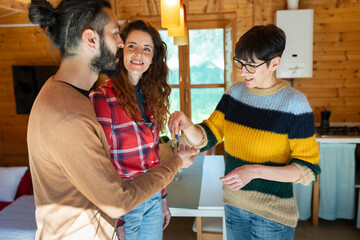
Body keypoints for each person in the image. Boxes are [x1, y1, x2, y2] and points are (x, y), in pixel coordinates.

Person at [27, 1, 199, 239]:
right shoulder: (71, 114)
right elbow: (117, 201)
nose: (121, 44)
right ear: (91, 39)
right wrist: (176, 162)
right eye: (117, 33)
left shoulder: (66, 97)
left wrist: (161, 197)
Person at [168, 24, 320, 240]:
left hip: (272, 216)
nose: (242, 71)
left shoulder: (294, 104)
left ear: (274, 63)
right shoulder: (236, 93)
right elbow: (208, 136)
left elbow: (307, 170)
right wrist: (188, 125)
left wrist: (254, 171)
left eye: (251, 66)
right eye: (240, 62)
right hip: (233, 206)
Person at [90, 20, 172, 240]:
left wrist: (162, 199)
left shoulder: (149, 97)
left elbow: (153, 157)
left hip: (153, 197)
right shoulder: (102, 98)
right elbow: (100, 164)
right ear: (120, 50)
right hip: (126, 204)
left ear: (153, 58)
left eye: (147, 49)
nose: (139, 54)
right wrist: (115, 219)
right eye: (132, 46)